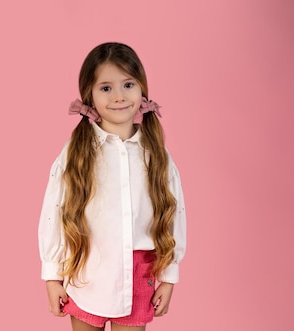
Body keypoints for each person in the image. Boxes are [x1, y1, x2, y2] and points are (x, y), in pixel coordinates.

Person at [38, 42, 187, 331]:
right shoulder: (76, 152)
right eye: (106, 88)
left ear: (141, 88)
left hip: (138, 271)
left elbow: (173, 212)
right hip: (85, 269)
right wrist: (52, 276)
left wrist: (169, 277)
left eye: (128, 84)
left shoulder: (156, 153)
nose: (119, 96)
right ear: (89, 96)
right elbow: (54, 211)